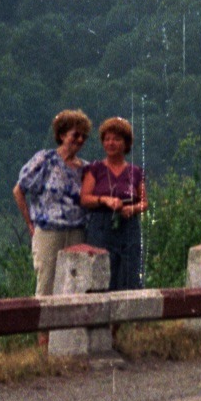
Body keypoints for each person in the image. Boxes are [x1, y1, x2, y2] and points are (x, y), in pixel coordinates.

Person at [14, 109, 92, 298]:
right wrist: (30, 224)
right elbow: (19, 190)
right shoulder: (45, 160)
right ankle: (43, 329)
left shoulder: (86, 169)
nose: (80, 140)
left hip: (77, 233)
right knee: (46, 286)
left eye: (83, 136)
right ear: (63, 135)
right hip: (49, 232)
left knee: (74, 287)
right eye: (76, 135)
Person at [81, 116, 148, 290]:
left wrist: (131, 209)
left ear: (126, 143)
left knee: (129, 274)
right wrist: (104, 200)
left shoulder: (136, 172)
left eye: (116, 139)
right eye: (107, 139)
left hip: (128, 226)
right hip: (101, 225)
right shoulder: (95, 169)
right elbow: (85, 198)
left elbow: (144, 203)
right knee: (100, 275)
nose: (111, 143)